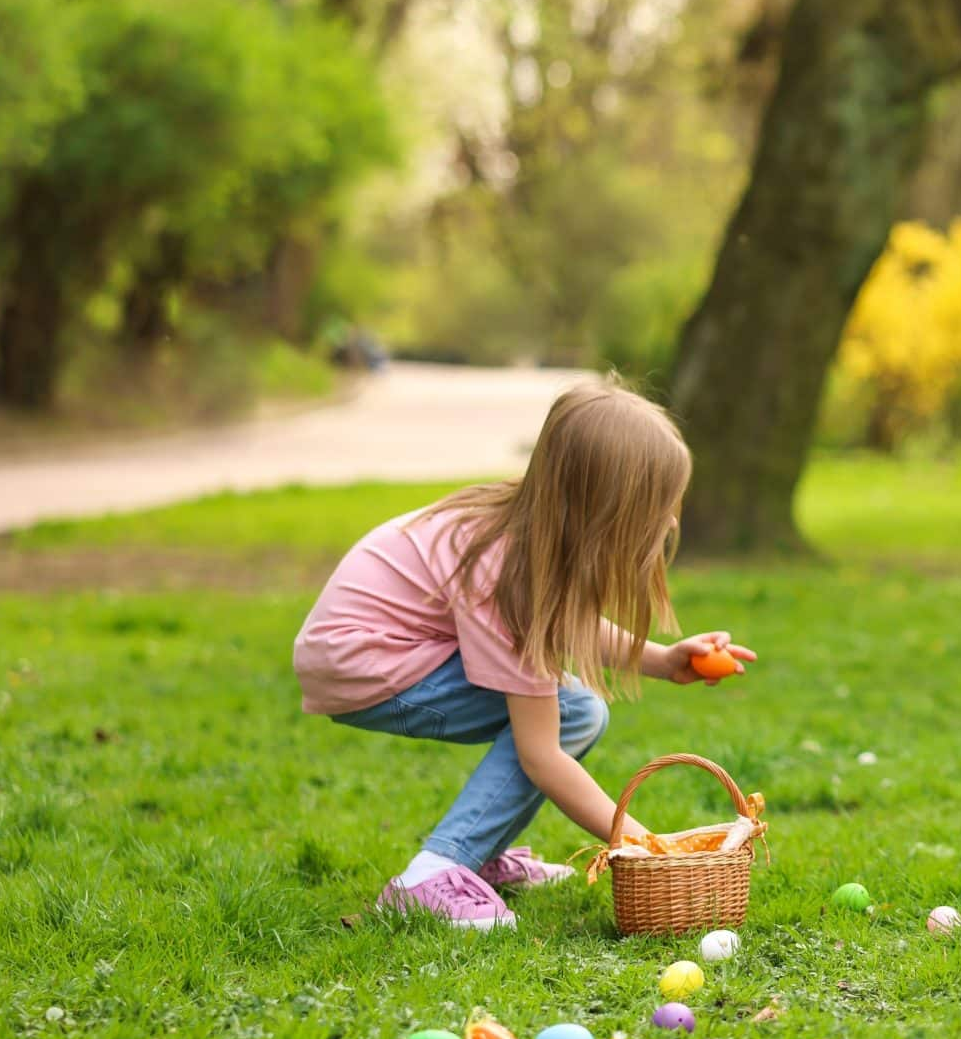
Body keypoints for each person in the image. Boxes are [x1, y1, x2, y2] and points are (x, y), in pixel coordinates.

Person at [292, 378, 753, 929]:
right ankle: (431, 878)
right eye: (658, 507)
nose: (672, 521)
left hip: (368, 652)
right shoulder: (508, 575)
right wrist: (644, 845)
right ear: (606, 512)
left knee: (579, 709)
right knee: (577, 712)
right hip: (367, 663)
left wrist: (658, 659)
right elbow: (542, 756)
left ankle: (475, 859)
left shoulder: (528, 533)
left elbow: (557, 619)